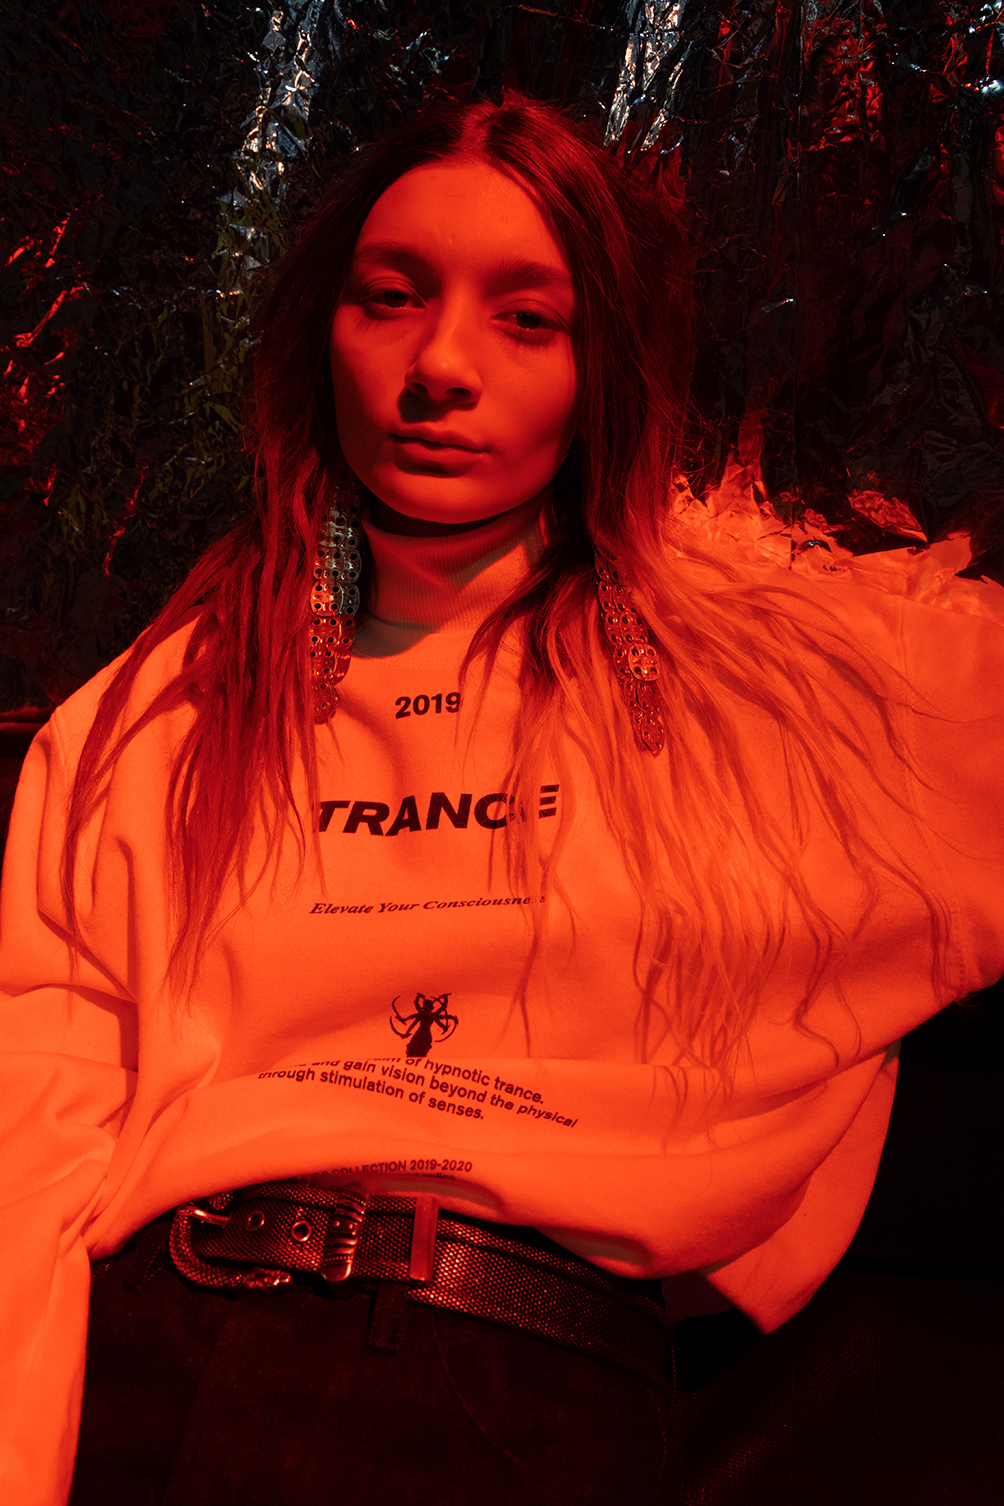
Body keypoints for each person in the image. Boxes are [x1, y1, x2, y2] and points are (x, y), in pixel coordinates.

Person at [0, 91, 1002, 1506]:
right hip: (158, 1356)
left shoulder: (778, 672)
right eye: (391, 297)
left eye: (528, 318)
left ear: (606, 366)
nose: (440, 366)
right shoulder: (161, 710)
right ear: (321, 332)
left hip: (516, 1387)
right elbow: (30, 1152)